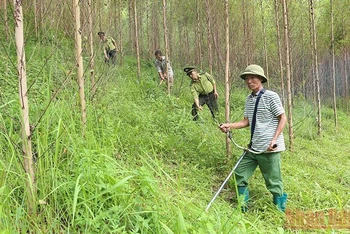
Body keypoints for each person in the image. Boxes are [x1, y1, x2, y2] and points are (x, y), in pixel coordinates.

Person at [219, 64, 288, 212]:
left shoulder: (271, 96)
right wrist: (228, 125)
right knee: (239, 173)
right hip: (253, 147)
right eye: (247, 78)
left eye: (253, 78)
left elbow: (283, 118)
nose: (249, 81)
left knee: (273, 181)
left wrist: (274, 140)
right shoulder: (249, 99)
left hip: (269, 148)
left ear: (261, 79)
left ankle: (279, 211)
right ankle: (242, 207)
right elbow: (246, 121)